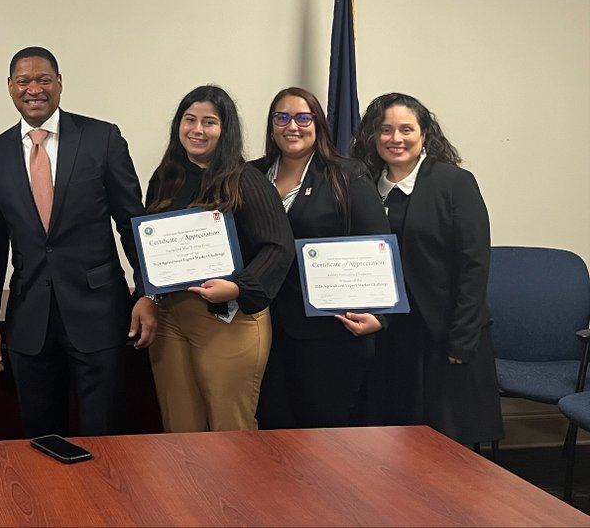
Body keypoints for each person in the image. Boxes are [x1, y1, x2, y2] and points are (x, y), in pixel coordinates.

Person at [0, 46, 156, 438]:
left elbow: (132, 222)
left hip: (99, 314)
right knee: (42, 441)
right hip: (28, 321)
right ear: (9, 87)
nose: (33, 89)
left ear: (59, 84)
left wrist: (146, 292)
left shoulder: (101, 139)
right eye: (23, 81)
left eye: (43, 79)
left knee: (105, 438)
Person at [352, 93, 504, 446]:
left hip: (443, 337)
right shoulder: (364, 187)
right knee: (390, 448)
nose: (396, 138)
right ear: (373, 137)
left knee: (446, 454)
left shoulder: (453, 182)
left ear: (424, 135)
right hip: (388, 336)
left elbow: (474, 265)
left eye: (407, 129)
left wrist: (462, 339)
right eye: (385, 129)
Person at [144, 85, 293, 433]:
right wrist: (146, 294)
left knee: (231, 430)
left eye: (209, 122)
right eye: (189, 119)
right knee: (179, 428)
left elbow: (279, 247)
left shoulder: (245, 180)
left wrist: (236, 288)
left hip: (229, 318)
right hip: (169, 317)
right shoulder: (165, 178)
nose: (197, 129)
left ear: (225, 131)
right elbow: (150, 246)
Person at [250, 86, 388, 429]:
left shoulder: (346, 175)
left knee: (323, 438)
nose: (291, 126)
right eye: (281, 117)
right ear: (271, 126)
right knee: (272, 432)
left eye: (302, 117)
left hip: (328, 332)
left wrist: (382, 317)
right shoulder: (251, 175)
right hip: (262, 325)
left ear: (318, 124)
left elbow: (378, 248)